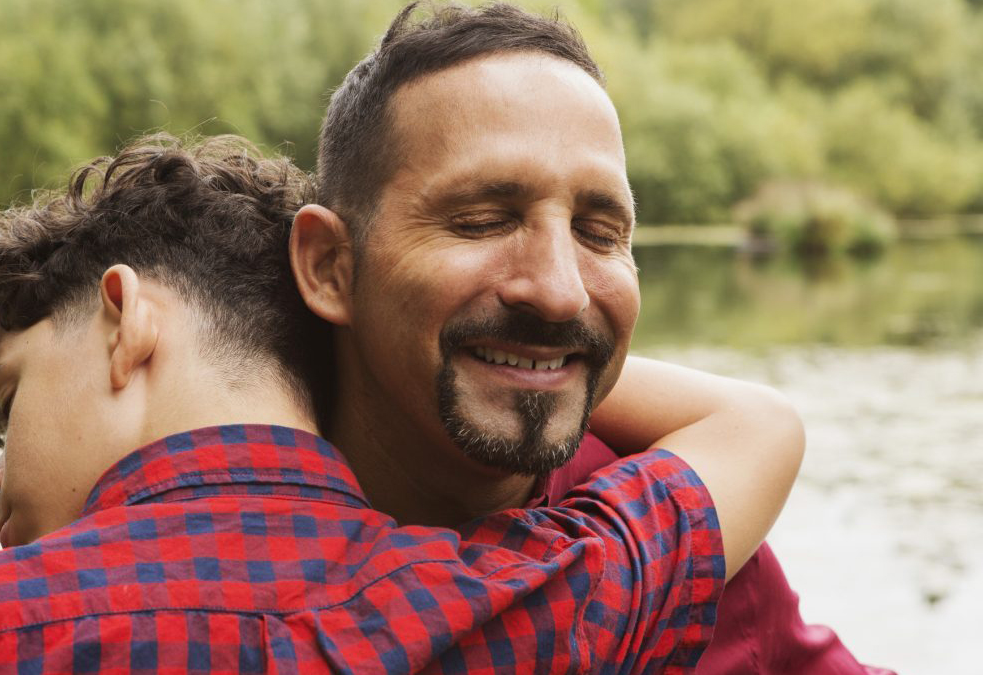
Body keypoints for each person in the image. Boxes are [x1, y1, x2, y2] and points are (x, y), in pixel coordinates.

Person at [0, 133, 799, 674]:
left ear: (126, 320)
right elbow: (755, 428)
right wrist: (419, 343)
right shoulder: (525, 606)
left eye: (13, 399)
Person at [290, 2, 893, 673]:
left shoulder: (699, 535)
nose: (560, 290)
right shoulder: (215, 548)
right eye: (484, 219)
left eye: (599, 232)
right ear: (330, 267)